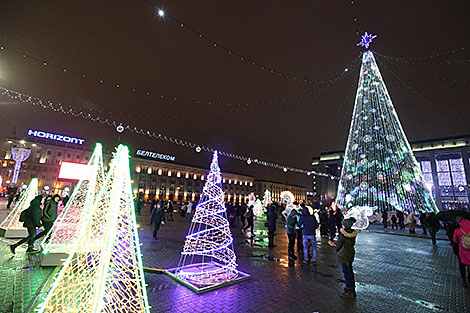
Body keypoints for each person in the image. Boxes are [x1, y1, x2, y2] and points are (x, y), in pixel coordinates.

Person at [337, 217, 358, 299]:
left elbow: (339, 244)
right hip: (350, 252)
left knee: (346, 272)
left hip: (344, 254)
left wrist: (334, 247)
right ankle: (351, 286)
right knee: (350, 270)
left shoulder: (343, 234)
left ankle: (350, 290)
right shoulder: (353, 233)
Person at [453, 218, 470, 288]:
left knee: (462, 265)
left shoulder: (458, 231)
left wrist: (455, 251)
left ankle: (464, 280)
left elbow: (455, 241)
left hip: (462, 252)